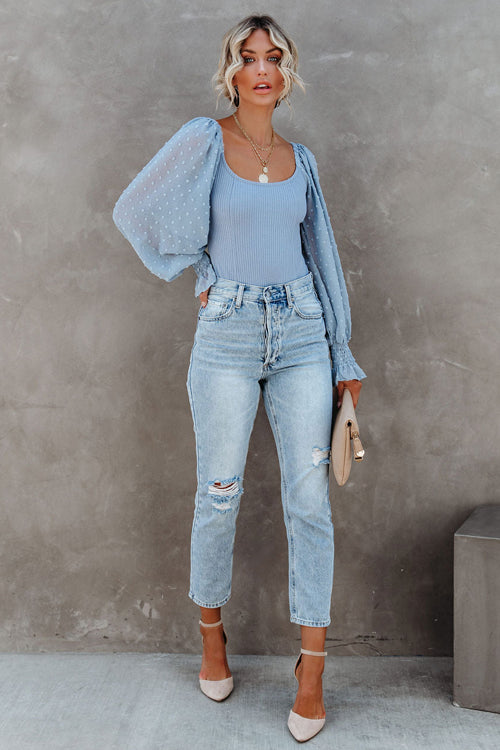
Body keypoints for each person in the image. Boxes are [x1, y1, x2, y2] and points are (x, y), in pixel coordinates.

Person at [112, 13, 366, 743]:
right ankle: (211, 637)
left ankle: (312, 670)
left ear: (287, 71)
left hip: (303, 334)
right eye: (248, 57)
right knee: (218, 495)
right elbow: (138, 208)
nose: (261, 69)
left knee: (309, 501)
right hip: (226, 335)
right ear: (231, 70)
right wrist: (202, 272)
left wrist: (343, 359)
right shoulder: (204, 139)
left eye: (273, 57)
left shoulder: (300, 159)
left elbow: (323, 258)